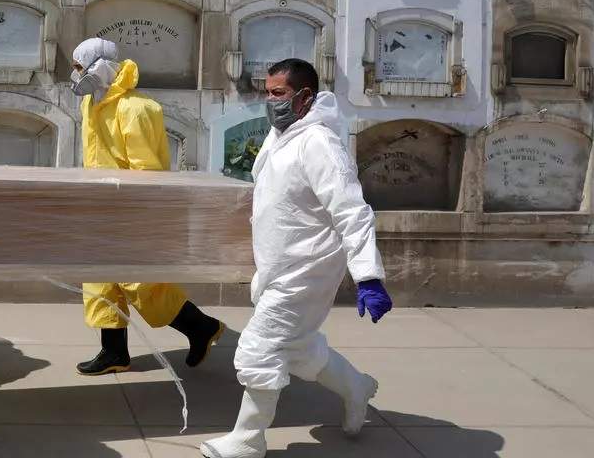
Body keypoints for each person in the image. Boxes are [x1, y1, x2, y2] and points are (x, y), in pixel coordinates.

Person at [200, 58, 393, 458]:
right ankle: (357, 387)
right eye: (266, 93)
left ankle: (248, 440)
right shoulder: (281, 135)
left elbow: (351, 210)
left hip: (307, 268)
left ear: (305, 97)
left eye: (278, 94)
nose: (269, 102)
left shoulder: (319, 143)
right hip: (279, 264)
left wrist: (368, 277)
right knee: (299, 347)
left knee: (257, 349)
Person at [69, 37, 226, 376]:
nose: (75, 73)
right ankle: (114, 352)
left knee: (138, 282)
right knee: (101, 280)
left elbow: (147, 170)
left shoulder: (138, 108)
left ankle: (201, 327)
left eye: (79, 66)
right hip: (101, 207)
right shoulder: (90, 104)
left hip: (131, 211)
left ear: (98, 66)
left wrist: (137, 213)